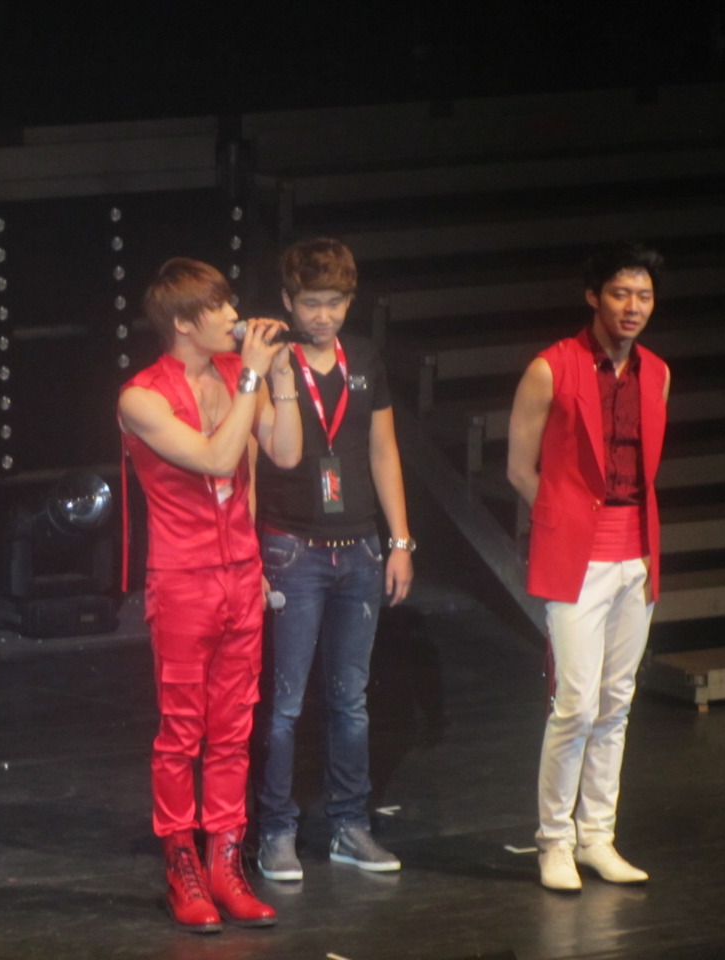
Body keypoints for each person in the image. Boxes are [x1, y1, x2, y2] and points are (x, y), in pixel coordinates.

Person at [118, 258, 301, 933]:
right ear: (183, 323)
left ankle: (226, 863)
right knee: (182, 731)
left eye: (230, 302)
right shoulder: (141, 397)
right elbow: (217, 459)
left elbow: (285, 454)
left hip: (242, 574)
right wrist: (252, 377)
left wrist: (280, 380)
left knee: (234, 729)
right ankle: (182, 867)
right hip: (183, 579)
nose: (234, 315)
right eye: (219, 307)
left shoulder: (234, 374)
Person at [507, 241, 669, 892]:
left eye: (644, 295)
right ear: (593, 297)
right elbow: (520, 468)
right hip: (578, 556)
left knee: (616, 702)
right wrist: (564, 522)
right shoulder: (551, 367)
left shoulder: (657, 373)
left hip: (638, 553)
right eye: (621, 293)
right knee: (574, 703)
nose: (633, 307)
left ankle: (598, 836)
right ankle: (555, 840)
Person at [253, 238, 414, 883]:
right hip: (292, 547)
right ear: (287, 301)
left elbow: (383, 450)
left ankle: (350, 824)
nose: (323, 316)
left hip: (361, 547)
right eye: (311, 303)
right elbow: (255, 458)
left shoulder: (365, 358)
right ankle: (276, 830)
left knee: (351, 701)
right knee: (286, 703)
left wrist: (400, 540)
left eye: (336, 303)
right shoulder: (274, 360)